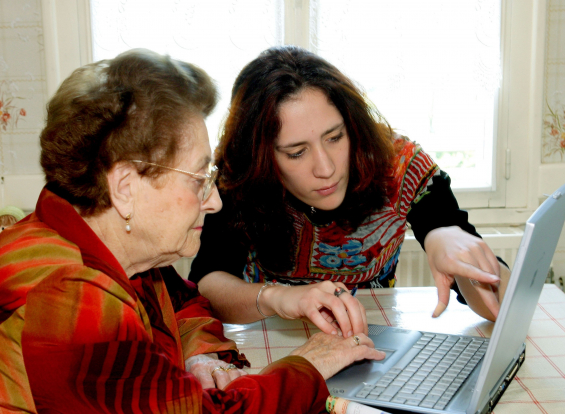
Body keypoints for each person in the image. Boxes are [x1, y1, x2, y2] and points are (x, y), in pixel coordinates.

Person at [0, 49, 384, 414]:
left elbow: (186, 302)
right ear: (125, 189)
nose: (213, 202)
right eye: (198, 179)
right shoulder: (67, 297)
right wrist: (309, 363)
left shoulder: (99, 238)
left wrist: (201, 357)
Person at [189, 47, 510, 337]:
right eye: (296, 152)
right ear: (261, 156)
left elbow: (498, 302)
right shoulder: (237, 180)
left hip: (375, 347)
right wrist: (277, 297)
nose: (325, 167)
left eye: (335, 137)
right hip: (269, 348)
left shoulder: (397, 164)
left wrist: (446, 235)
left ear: (352, 124)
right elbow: (208, 283)